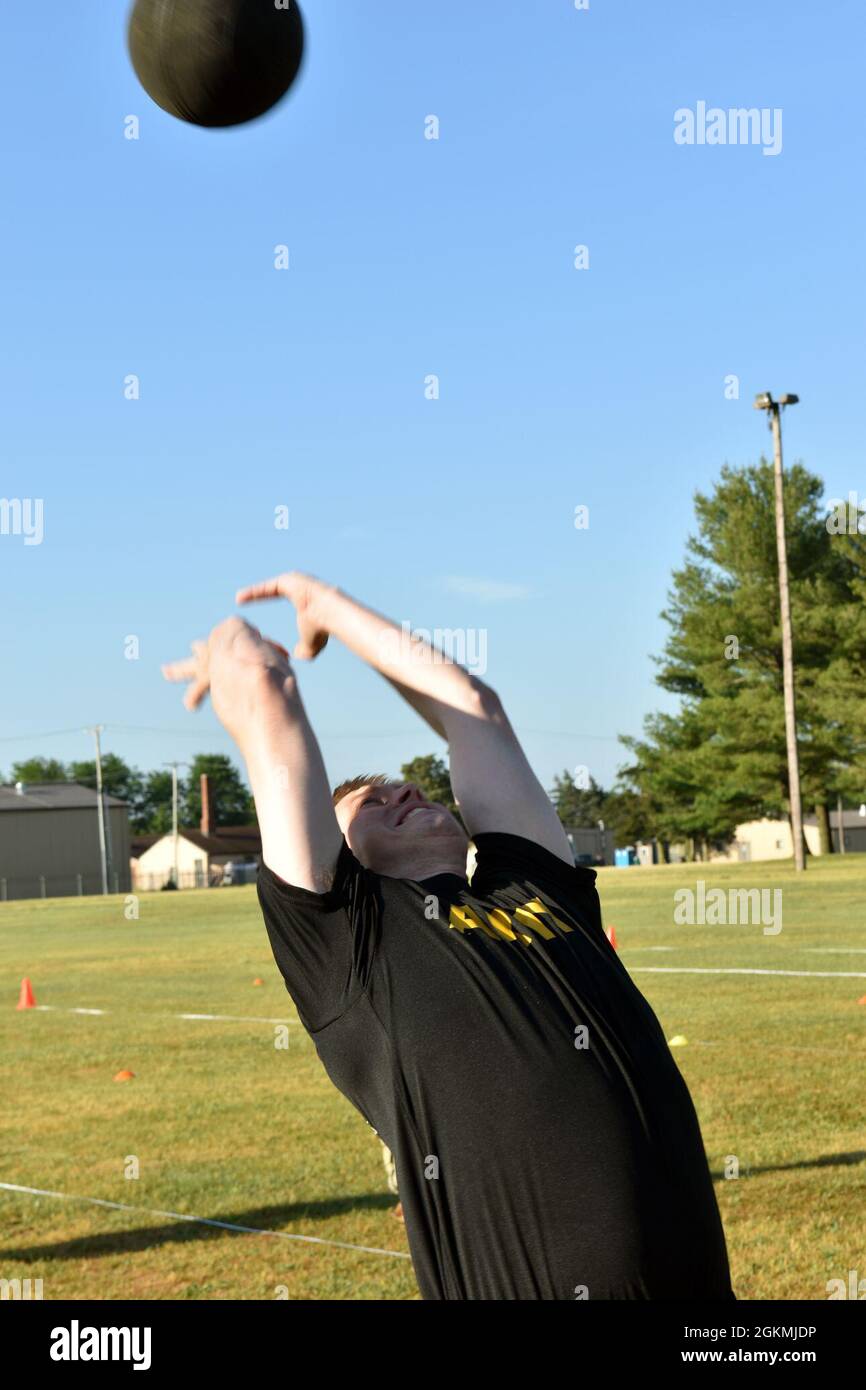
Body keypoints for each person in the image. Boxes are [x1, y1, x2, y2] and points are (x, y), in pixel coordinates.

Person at [163, 572, 734, 1301]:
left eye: (408, 787)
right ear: (339, 859)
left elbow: (475, 710)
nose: (404, 791)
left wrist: (330, 609)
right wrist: (229, 648)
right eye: (369, 802)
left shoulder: (533, 887)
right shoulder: (349, 945)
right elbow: (261, 686)